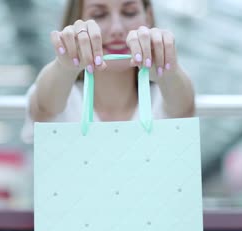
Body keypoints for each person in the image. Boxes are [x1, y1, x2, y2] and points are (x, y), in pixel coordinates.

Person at [21, 0, 195, 143]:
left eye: (129, 12)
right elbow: (44, 107)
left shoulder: (163, 96)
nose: (117, 29)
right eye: (99, 15)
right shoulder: (63, 96)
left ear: (148, 17)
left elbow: (185, 107)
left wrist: (168, 71)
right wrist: (66, 65)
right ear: (76, 22)